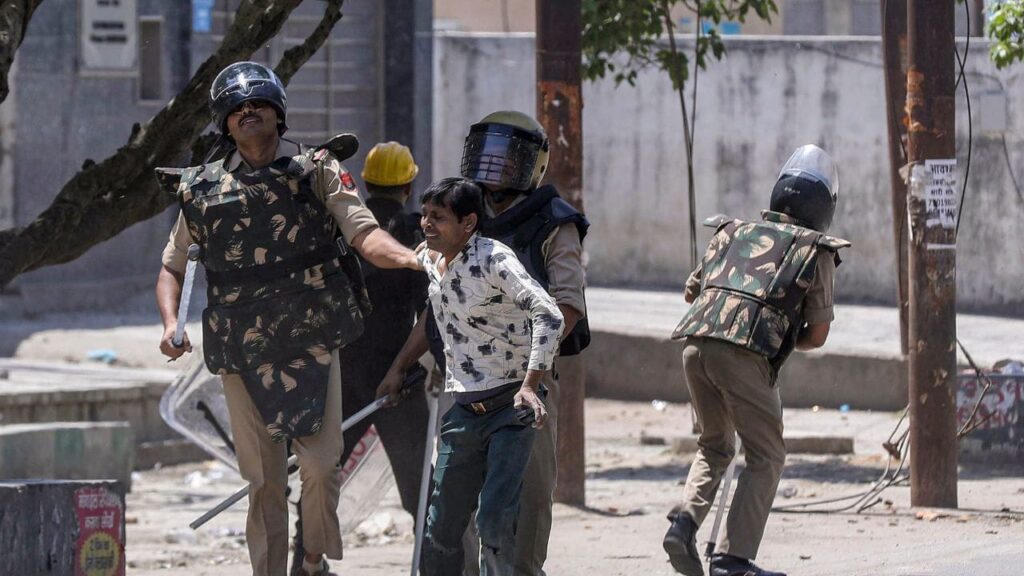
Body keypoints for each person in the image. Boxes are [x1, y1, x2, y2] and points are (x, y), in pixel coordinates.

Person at [154, 61, 419, 576]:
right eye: (238, 108)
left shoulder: (316, 170)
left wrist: (412, 258)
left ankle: (313, 557)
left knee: (321, 467)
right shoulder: (203, 189)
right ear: (225, 122)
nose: (248, 113)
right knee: (264, 483)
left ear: (279, 114)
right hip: (241, 351)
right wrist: (170, 324)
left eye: (259, 104)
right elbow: (172, 265)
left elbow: (364, 233)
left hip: (311, 342)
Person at [661, 145, 850, 576]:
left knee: (714, 444)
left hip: (695, 344)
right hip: (744, 356)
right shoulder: (816, 250)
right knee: (766, 455)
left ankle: (683, 523)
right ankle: (732, 560)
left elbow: (693, 293)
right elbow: (817, 335)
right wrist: (778, 336)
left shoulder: (732, 231)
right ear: (825, 207)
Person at [377, 177, 564, 576]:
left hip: (509, 411)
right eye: (425, 215)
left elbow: (548, 313)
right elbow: (428, 306)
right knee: (439, 529)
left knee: (493, 523)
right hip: (463, 413)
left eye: (438, 217)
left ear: (468, 223)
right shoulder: (432, 260)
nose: (427, 224)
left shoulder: (495, 260)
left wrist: (531, 385)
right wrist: (398, 368)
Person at [462, 111, 590, 576]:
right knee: (459, 499)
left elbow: (568, 305)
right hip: (466, 380)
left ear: (531, 165)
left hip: (524, 383)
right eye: (488, 152)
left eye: (507, 156)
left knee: (530, 496)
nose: (494, 165)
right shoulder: (462, 212)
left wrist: (528, 363)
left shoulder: (554, 222)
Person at [337, 141, 430, 518]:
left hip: (344, 373)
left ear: (365, 184)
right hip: (396, 375)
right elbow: (428, 310)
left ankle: (307, 550)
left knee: (321, 478)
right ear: (408, 187)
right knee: (420, 489)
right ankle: (437, 551)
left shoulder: (343, 229)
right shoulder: (414, 234)